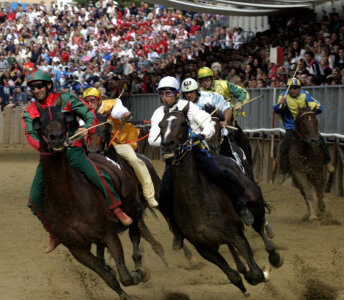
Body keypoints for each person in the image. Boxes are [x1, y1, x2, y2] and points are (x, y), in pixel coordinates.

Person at [22, 70, 133, 254]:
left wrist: (88, 129)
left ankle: (117, 210)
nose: (36, 90)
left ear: (49, 86)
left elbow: (88, 113)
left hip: (73, 150)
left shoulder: (66, 99)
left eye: (39, 86)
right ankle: (53, 232)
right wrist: (46, 146)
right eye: (33, 88)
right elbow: (31, 135)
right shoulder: (30, 111)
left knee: (97, 175)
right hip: (49, 158)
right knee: (33, 199)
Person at [148, 76, 254, 250]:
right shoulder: (159, 113)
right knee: (164, 195)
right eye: (162, 94)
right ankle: (177, 231)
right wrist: (174, 141)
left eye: (168, 93)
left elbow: (209, 125)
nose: (165, 97)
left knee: (221, 174)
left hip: (196, 152)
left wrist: (202, 136)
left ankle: (241, 207)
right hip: (174, 159)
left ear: (177, 94)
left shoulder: (189, 107)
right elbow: (152, 139)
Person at [82, 87, 158, 208]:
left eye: (92, 100)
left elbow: (118, 112)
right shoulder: (84, 113)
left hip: (119, 144)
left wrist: (125, 114)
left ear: (99, 100)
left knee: (134, 160)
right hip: (95, 148)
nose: (89, 104)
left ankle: (149, 195)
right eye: (86, 101)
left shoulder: (114, 103)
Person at [273, 78, 334, 183]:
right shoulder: (283, 96)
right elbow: (276, 109)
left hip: (304, 126)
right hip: (291, 127)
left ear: (299, 88)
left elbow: (317, 106)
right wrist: (281, 104)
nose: (292, 90)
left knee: (319, 138)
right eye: (290, 88)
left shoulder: (305, 95)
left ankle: (327, 162)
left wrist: (313, 108)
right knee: (283, 147)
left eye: (295, 88)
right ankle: (283, 172)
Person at [197, 67, 252, 165]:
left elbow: (242, 92)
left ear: (212, 78)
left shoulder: (224, 84)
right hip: (208, 126)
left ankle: (249, 170)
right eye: (202, 81)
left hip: (228, 123)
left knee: (244, 142)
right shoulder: (199, 93)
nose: (205, 83)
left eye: (207, 80)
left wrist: (239, 102)